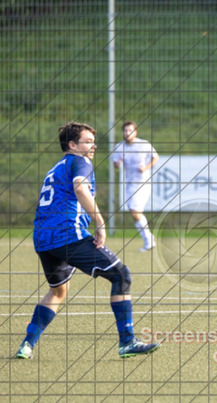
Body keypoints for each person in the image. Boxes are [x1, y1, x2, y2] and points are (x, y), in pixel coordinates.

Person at [15, 122, 160, 359]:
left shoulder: (56, 168)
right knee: (121, 275)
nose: (94, 146)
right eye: (88, 141)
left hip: (43, 239)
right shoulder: (80, 161)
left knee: (58, 292)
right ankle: (127, 342)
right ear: (72, 145)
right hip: (67, 235)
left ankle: (27, 345)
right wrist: (100, 223)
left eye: (94, 141)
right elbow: (80, 189)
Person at [112, 121, 159, 252]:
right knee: (135, 213)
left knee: (135, 211)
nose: (128, 133)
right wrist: (118, 164)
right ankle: (149, 238)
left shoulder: (143, 144)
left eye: (130, 130)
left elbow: (155, 157)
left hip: (143, 182)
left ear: (135, 132)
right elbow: (115, 164)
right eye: (125, 130)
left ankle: (149, 241)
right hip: (129, 183)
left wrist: (146, 167)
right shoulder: (119, 146)